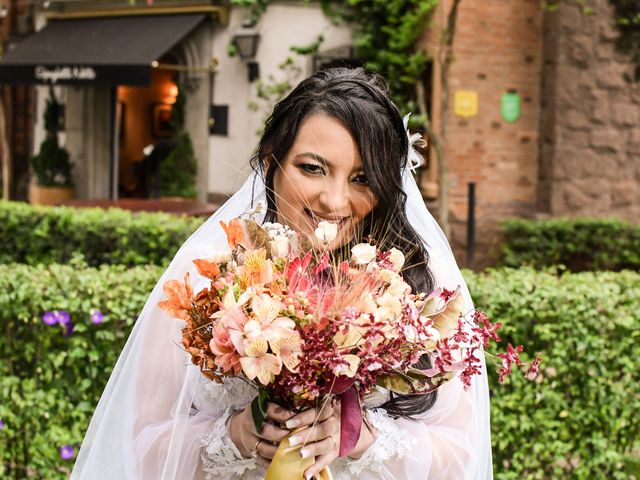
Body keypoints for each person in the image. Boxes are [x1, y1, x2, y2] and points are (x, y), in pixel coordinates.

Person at [71, 67, 492, 480]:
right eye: (313, 168)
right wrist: (236, 436)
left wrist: (360, 437)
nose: (334, 199)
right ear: (272, 160)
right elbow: (140, 446)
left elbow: (460, 452)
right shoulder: (209, 274)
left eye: (362, 178)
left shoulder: (420, 284)